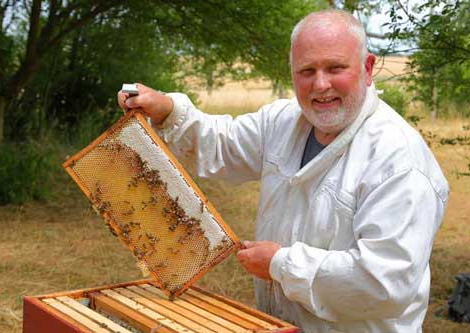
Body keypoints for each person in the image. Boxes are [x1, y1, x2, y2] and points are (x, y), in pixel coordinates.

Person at [117, 9, 448, 333]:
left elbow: (384, 282)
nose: (321, 85)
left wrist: (280, 265)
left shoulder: (399, 161)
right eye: (307, 71)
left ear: (368, 67)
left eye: (335, 68)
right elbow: (224, 144)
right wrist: (169, 112)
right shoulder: (283, 121)